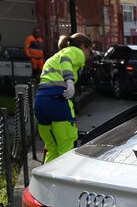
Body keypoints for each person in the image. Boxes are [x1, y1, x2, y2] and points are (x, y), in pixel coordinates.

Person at [34, 32, 93, 162]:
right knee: (66, 149)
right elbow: (65, 59)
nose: (89, 55)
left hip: (41, 100)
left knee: (52, 148)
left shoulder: (54, 57)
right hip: (57, 100)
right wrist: (70, 81)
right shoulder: (76, 52)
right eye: (90, 50)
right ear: (83, 46)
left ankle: (47, 179)